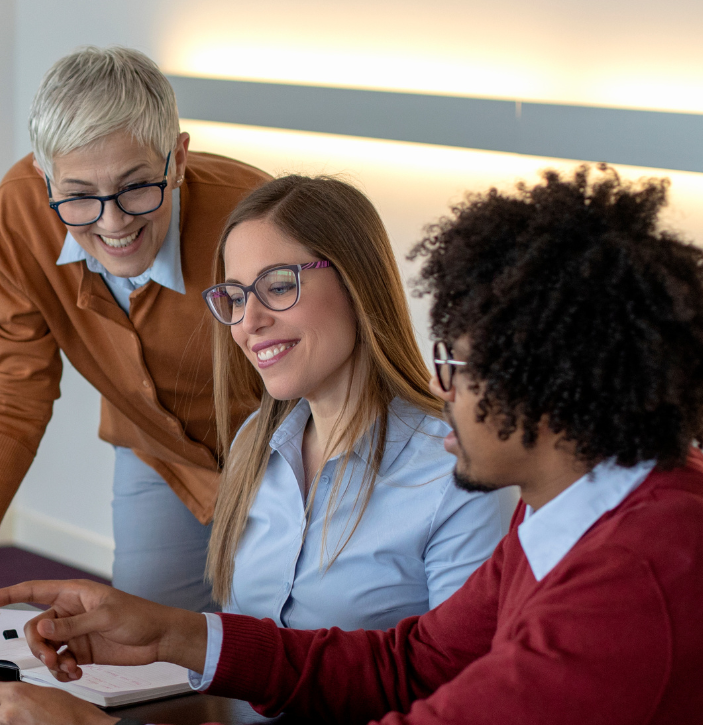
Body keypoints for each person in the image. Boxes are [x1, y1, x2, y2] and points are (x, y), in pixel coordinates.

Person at [0, 166, 703, 725]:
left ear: (547, 384)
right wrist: (181, 634)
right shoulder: (569, 502)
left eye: (455, 366)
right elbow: (411, 665)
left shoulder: (650, 556)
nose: (440, 390)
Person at [0, 47, 269, 609]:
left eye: (138, 186)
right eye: (78, 197)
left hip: (281, 451)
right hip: (157, 454)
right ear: (45, 177)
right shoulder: (19, 211)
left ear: (179, 157)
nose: (114, 223)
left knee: (279, 640)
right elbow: (16, 382)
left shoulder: (255, 216)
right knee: (151, 648)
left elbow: (325, 370)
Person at [203, 175, 513, 627]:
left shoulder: (458, 467)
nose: (249, 321)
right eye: (235, 297)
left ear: (355, 283)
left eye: (279, 285)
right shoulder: (252, 444)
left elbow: (462, 677)